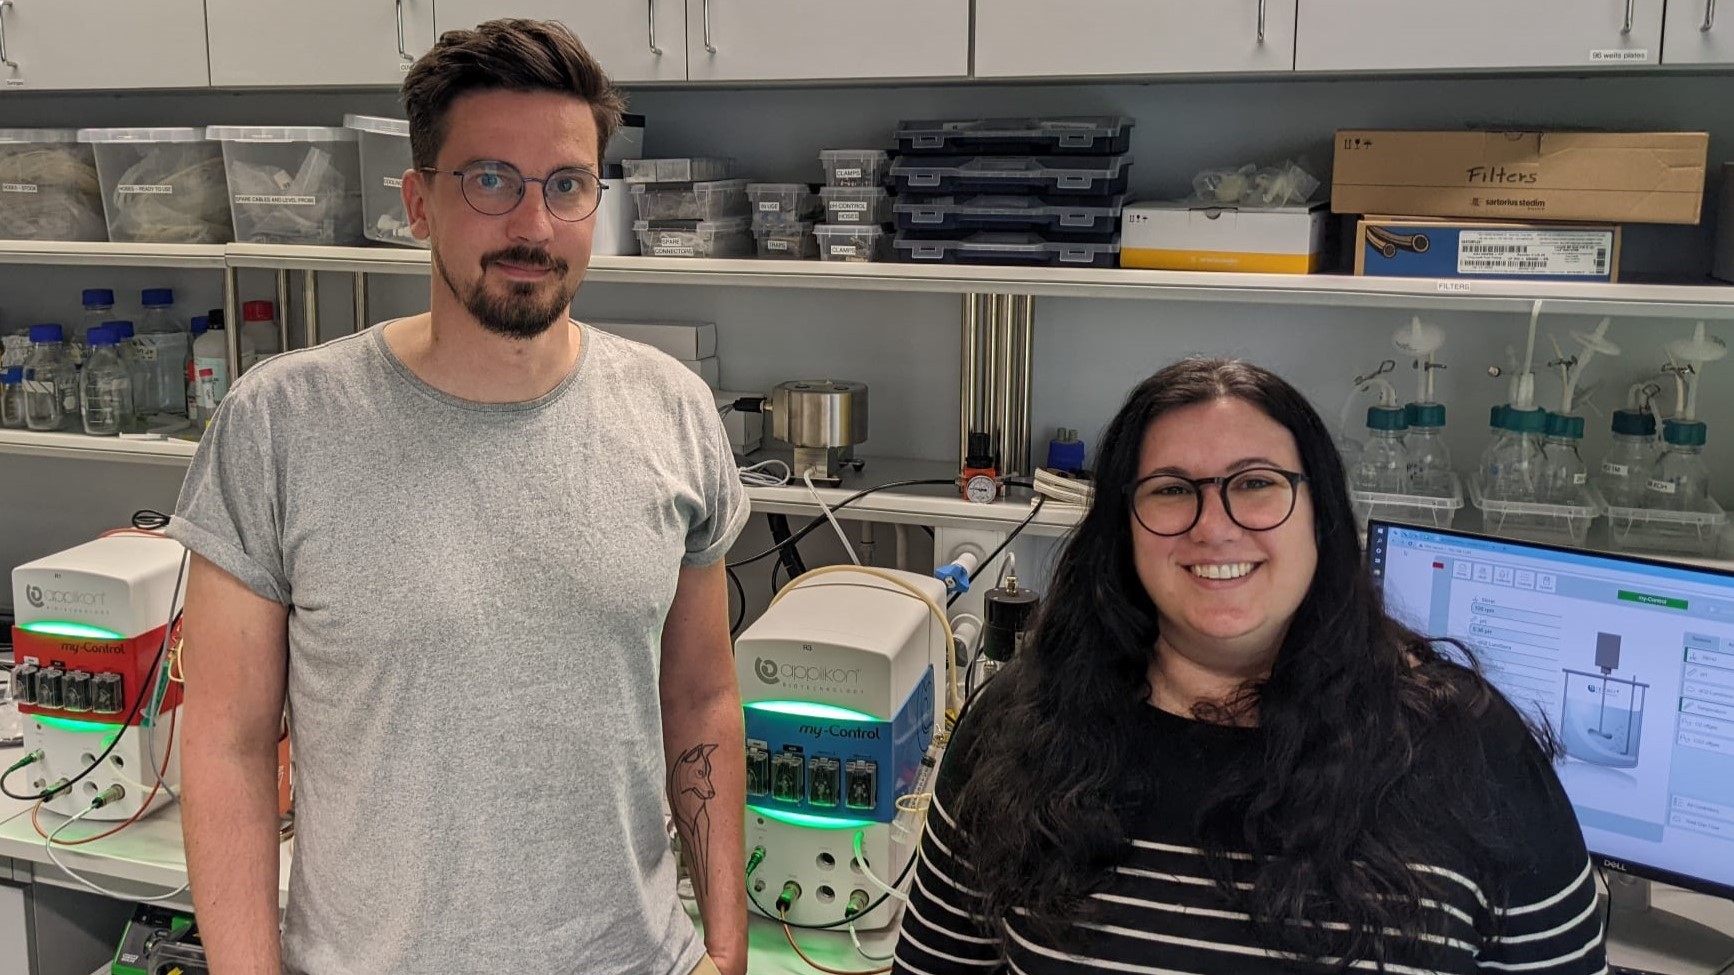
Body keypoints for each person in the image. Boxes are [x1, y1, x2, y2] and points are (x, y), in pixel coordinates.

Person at [167, 19, 749, 975]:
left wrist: (728, 945)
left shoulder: (674, 414)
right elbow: (226, 744)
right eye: (489, 180)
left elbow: (700, 697)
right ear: (418, 202)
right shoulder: (280, 423)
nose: (532, 224)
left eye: (566, 186)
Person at [893, 359, 1605, 975]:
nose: (1215, 525)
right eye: (1171, 489)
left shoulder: (1472, 748)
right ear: (1123, 528)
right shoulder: (1021, 730)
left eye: (1257, 482)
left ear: (1319, 513)